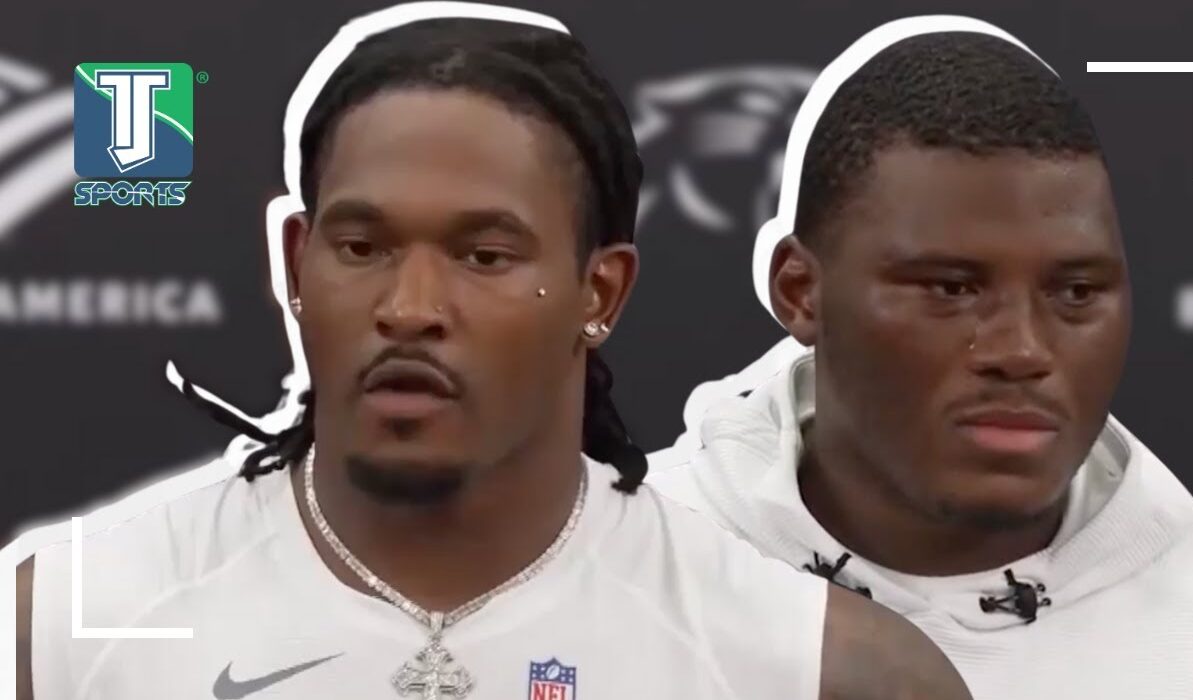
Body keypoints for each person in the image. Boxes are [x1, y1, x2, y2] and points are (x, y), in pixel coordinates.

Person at [12, 10, 970, 700]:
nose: (409, 308)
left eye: (484, 256)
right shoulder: (54, 631)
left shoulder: (816, 670)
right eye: (363, 247)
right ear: (296, 263)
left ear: (601, 293)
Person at [649, 29, 1193, 700]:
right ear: (800, 290)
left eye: (1075, 293)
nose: (1021, 352)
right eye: (951, 288)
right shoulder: (609, 572)